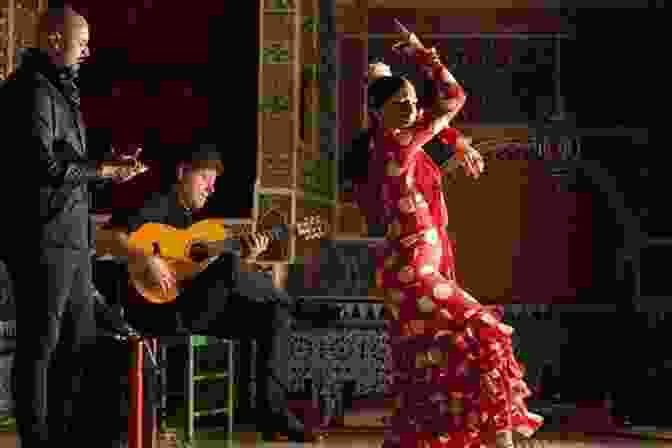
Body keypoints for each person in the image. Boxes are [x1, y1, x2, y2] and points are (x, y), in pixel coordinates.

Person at [350, 22, 543, 448]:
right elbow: (453, 99)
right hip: (412, 275)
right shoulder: (396, 148)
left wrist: (457, 144)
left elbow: (435, 124)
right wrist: (423, 53)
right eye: (402, 103)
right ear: (378, 111)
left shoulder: (403, 144)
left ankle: (486, 439)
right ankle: (501, 441)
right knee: (486, 334)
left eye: (414, 103)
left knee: (440, 365)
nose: (413, 110)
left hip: (422, 269)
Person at [99, 144, 330, 443]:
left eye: (215, 184)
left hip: (192, 307)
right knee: (233, 266)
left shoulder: (194, 224)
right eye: (205, 178)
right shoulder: (154, 202)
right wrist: (146, 258)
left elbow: (201, 273)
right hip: (154, 310)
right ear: (182, 172)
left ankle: (274, 415)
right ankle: (294, 304)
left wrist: (249, 256)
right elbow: (107, 238)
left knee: (274, 315)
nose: (211, 189)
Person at [2, 4, 147, 445]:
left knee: (78, 347)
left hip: (74, 240)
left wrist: (107, 170)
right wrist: (102, 171)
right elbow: (39, 167)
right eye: (81, 43)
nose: (87, 52)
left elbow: (67, 167)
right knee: (41, 349)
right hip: (43, 239)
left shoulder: (56, 90)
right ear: (53, 40)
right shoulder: (30, 90)